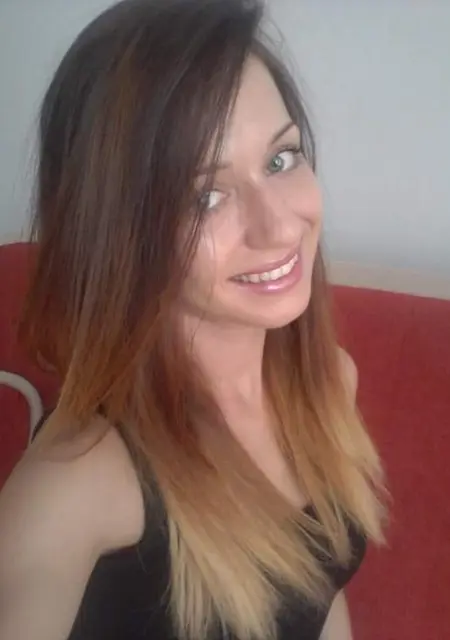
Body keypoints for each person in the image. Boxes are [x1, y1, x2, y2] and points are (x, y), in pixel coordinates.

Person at [0, 1, 386, 638]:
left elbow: (320, 594)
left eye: (281, 159)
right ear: (118, 235)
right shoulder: (77, 485)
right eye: (205, 195)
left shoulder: (328, 384)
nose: (278, 227)